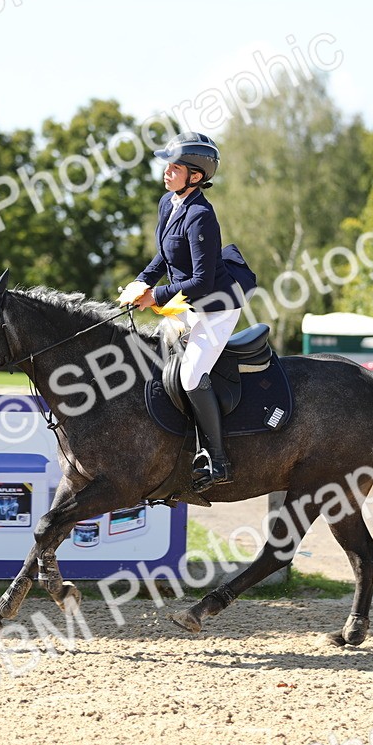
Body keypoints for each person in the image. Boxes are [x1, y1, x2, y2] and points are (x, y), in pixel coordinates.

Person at [127, 132, 245, 492]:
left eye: (175, 167)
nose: (167, 171)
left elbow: (201, 282)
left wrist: (155, 296)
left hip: (216, 308)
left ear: (196, 175)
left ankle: (220, 460)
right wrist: (141, 281)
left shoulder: (200, 216)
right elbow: (164, 255)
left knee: (192, 375)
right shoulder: (169, 203)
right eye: (168, 165)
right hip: (185, 303)